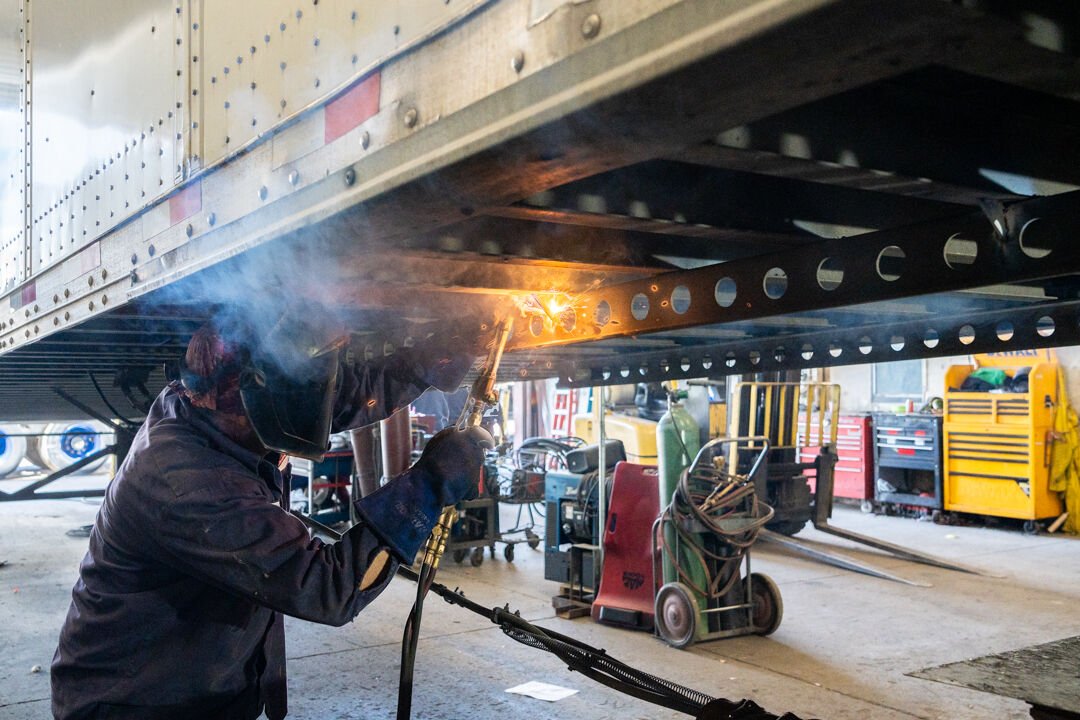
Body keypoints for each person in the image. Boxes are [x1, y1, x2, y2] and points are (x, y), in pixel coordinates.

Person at [51, 319, 492, 719]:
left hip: (204, 687)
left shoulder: (204, 402)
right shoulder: (189, 484)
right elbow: (329, 589)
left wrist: (423, 365)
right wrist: (430, 482)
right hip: (137, 706)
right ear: (252, 397)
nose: (310, 408)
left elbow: (333, 400)